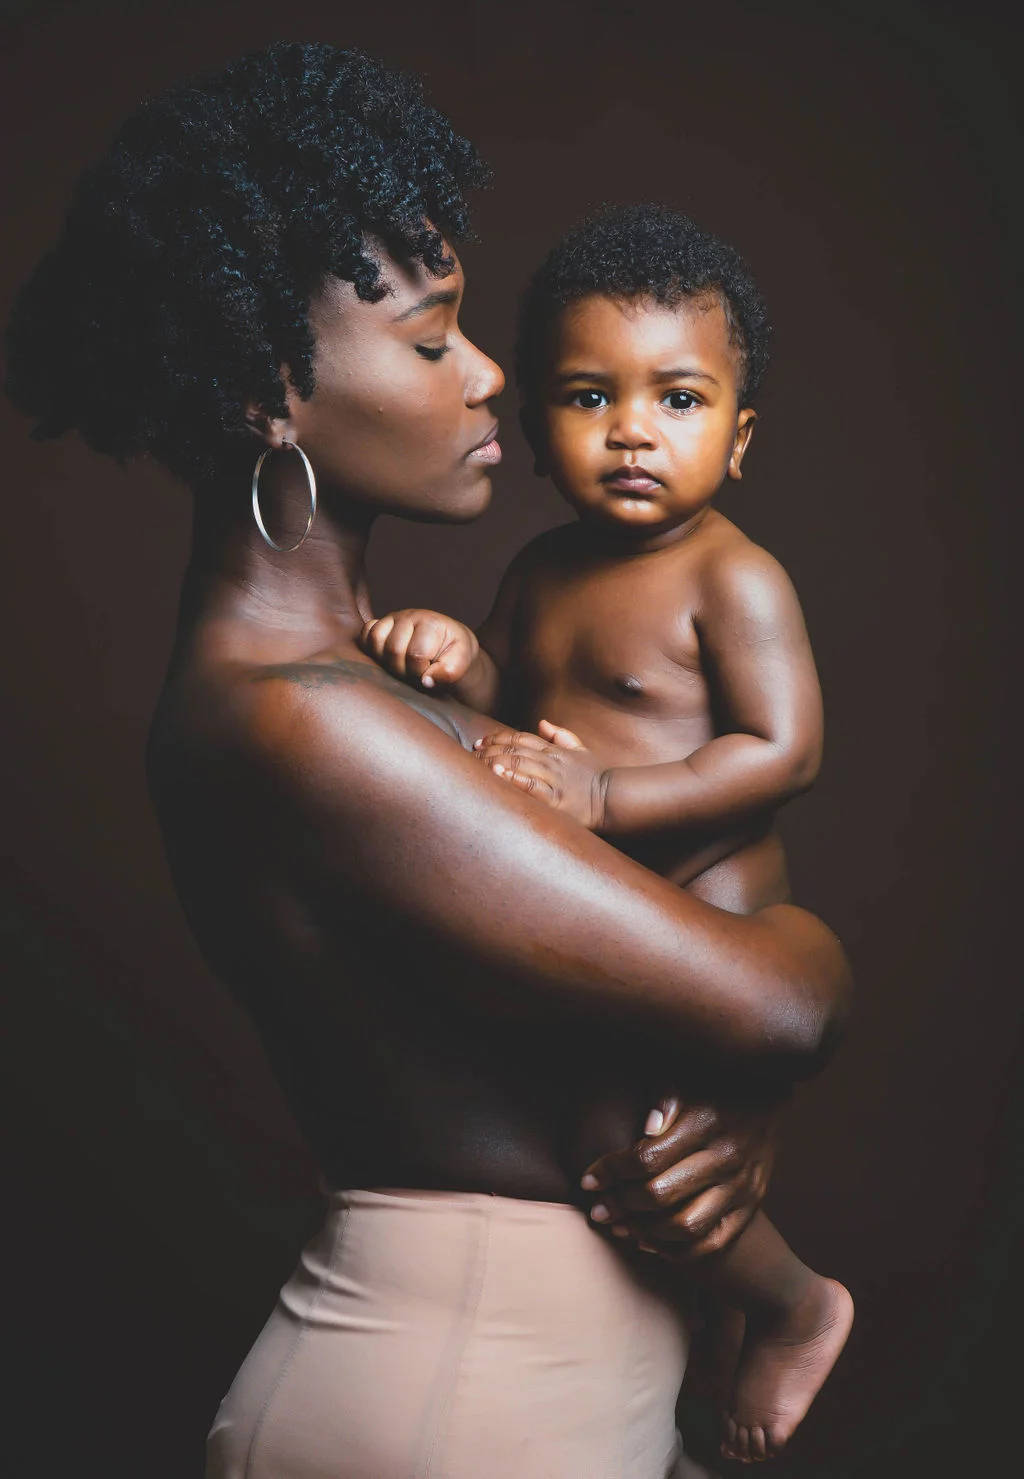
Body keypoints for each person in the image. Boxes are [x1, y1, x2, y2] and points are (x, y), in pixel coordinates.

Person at [4, 43, 851, 1478]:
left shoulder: (381, 681)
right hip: (464, 1402)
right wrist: (779, 1011)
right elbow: (768, 1009)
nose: (492, 378)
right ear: (275, 392)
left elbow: (630, 1023)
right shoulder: (307, 722)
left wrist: (723, 1118)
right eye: (428, 340)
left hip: (536, 1389)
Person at [361, 202, 855, 1463]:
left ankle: (794, 1303)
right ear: (533, 431)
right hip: (598, 925)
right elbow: (518, 731)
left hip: (709, 912)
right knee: (601, 1153)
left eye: (678, 401)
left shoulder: (730, 577)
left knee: (634, 1153)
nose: (632, 430)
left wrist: (616, 803)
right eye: (589, 398)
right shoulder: (537, 571)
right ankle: (689, 1376)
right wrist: (454, 664)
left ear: (739, 439)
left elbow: (784, 749)